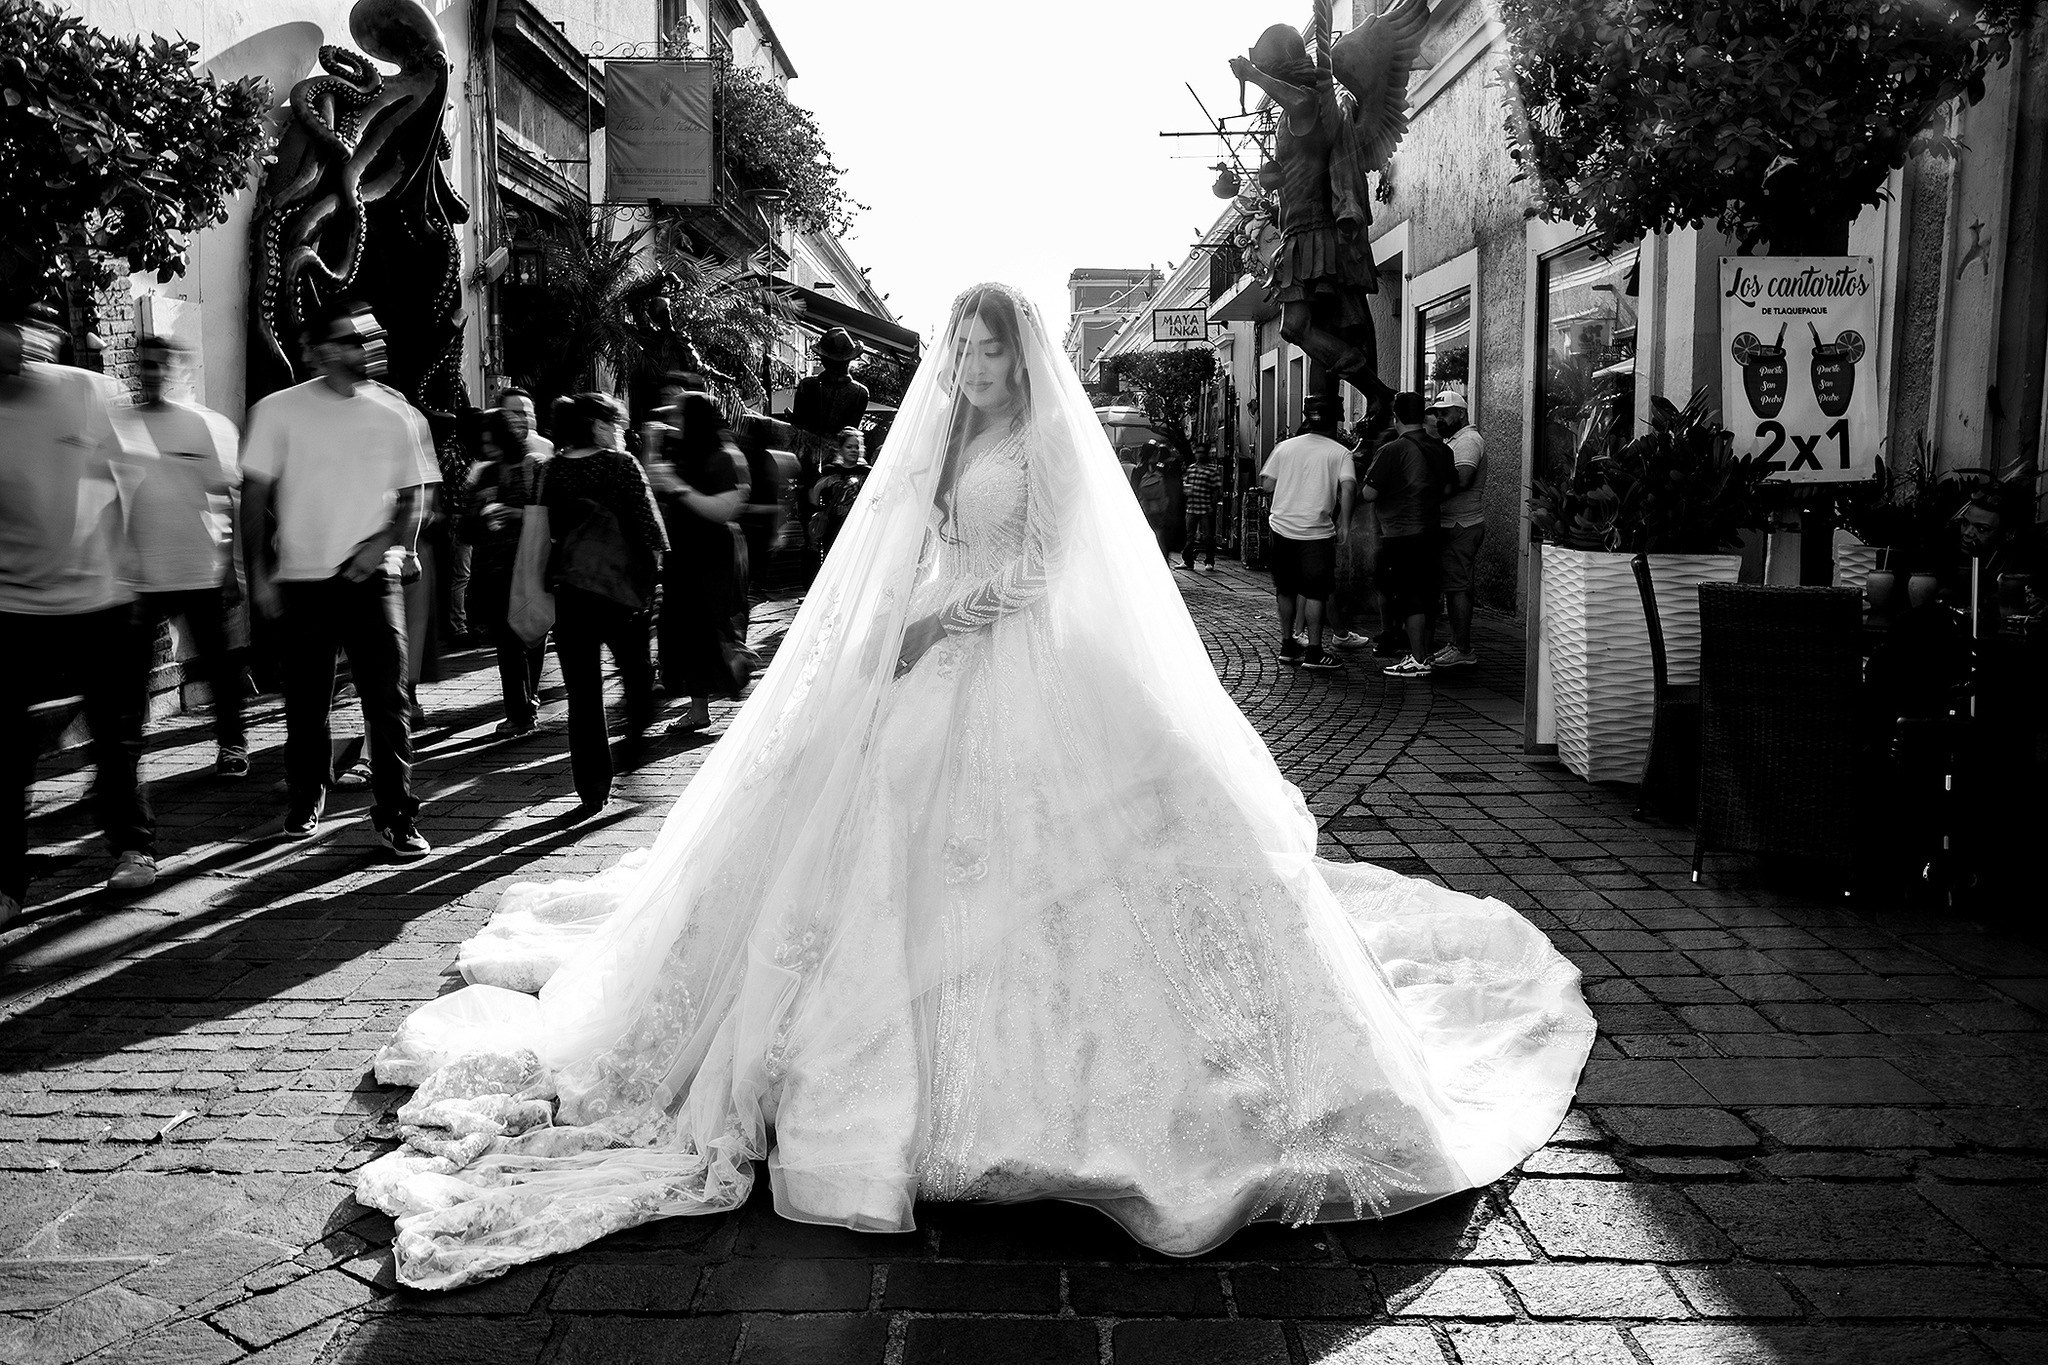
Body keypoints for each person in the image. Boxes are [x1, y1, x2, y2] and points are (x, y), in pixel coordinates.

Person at [355, 282, 1592, 1291]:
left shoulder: (1047, 440)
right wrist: (893, 622)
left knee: (1078, 872)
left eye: (992, 343)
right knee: (861, 859)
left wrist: (943, 620)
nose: (977, 360)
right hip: (931, 670)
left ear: (1024, 353)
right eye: (965, 343)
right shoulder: (943, 432)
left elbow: (1049, 568)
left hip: (1024, 666)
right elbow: (904, 539)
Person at [240, 301, 436, 858]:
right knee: (306, 703)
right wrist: (258, 577)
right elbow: (253, 497)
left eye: (367, 339)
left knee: (388, 700)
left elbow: (414, 491)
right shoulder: (277, 412)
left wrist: (389, 543)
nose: (366, 348)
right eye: (353, 340)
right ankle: (306, 795)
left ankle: (397, 814)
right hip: (301, 580)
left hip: (373, 580)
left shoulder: (395, 413)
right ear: (323, 351)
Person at [2, 309, 158, 917]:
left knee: (112, 736)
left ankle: (133, 848)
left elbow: (134, 480)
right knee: (5, 750)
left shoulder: (84, 392)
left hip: (99, 598)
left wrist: (131, 571)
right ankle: (6, 883)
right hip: (12, 604)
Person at [124, 334, 249, 778]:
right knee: (131, 675)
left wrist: (232, 571)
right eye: (146, 365)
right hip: (144, 575)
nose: (153, 373)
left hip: (201, 569)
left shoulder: (204, 425)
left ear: (176, 371)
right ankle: (125, 761)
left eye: (161, 365)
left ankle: (233, 743)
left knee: (218, 665)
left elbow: (226, 499)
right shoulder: (122, 427)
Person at [543, 393, 668, 811]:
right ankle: (633, 747)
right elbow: (653, 533)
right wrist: (652, 586)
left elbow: (548, 531)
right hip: (621, 593)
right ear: (597, 425)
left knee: (581, 692)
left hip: (571, 591)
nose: (621, 432)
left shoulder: (551, 470)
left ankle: (592, 787)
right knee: (636, 675)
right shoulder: (622, 465)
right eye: (616, 424)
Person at [647, 374, 748, 733]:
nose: (672, 421)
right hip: (683, 555)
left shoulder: (722, 457)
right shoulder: (683, 453)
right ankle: (698, 706)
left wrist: (679, 488)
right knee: (684, 630)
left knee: (706, 628)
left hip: (710, 557)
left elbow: (725, 509)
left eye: (679, 414)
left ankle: (733, 667)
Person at [462, 409, 548, 736]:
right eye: (484, 441)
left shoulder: (534, 467)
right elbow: (466, 529)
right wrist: (478, 512)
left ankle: (527, 703)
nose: (488, 447)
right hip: (494, 572)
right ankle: (520, 710)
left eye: (493, 440)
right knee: (508, 642)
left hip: (529, 563)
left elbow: (549, 515)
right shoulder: (483, 474)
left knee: (533, 634)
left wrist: (512, 512)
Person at [1361, 392, 1454, 680]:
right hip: (1431, 529)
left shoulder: (1392, 450)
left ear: (1396, 416)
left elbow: (1369, 493)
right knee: (1428, 595)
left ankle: (1417, 658)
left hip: (1400, 533)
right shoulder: (1442, 448)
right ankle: (1423, 652)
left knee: (1410, 597)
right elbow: (1449, 489)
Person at [1259, 395, 1355, 670]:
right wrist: (1345, 524)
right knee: (1315, 592)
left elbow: (1266, 484)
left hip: (1282, 528)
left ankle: (1287, 645)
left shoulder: (1284, 448)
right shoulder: (1339, 453)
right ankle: (1314, 651)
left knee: (1286, 590)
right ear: (1334, 421)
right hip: (1316, 533)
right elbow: (1348, 488)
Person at [1426, 387, 1484, 669]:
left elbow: (1463, 479)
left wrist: (1426, 493)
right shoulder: (1454, 440)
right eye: (1437, 415)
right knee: (1453, 587)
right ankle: (1455, 644)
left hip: (1462, 524)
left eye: (1445, 414)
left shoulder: (1468, 441)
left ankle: (1463, 648)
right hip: (1453, 523)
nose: (1440, 419)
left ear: (1461, 413)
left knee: (1459, 587)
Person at [1180, 440, 1223, 572]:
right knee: (1189, 535)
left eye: (1202, 452)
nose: (1199, 455)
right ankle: (1188, 560)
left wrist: (1212, 505)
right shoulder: (1191, 468)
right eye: (1197, 452)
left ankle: (1209, 561)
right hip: (1192, 507)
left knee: (1208, 536)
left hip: (1205, 507)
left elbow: (1217, 490)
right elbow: (1185, 485)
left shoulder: (1212, 470)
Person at [1132, 440, 1174, 558]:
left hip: (1147, 508)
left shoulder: (1139, 470)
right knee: (1159, 539)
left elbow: (1134, 489)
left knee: (1151, 538)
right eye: (1156, 453)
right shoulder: (1160, 469)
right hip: (1157, 509)